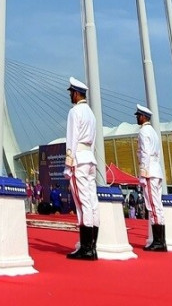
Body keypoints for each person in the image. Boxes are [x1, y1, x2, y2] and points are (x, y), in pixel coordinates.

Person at [64, 77, 98, 261]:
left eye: (71, 93)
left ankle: (86, 248)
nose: (70, 95)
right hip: (90, 159)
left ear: (76, 94)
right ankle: (93, 246)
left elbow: (72, 138)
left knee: (82, 202)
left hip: (79, 159)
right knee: (92, 202)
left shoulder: (75, 112)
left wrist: (69, 163)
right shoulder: (91, 114)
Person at [134, 105, 166, 252]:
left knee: (153, 206)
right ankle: (160, 240)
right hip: (156, 169)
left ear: (143, 117)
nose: (136, 118)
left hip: (150, 171)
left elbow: (145, 153)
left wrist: (143, 172)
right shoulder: (153, 132)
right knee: (157, 205)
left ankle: (159, 241)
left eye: (138, 116)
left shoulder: (143, 132)